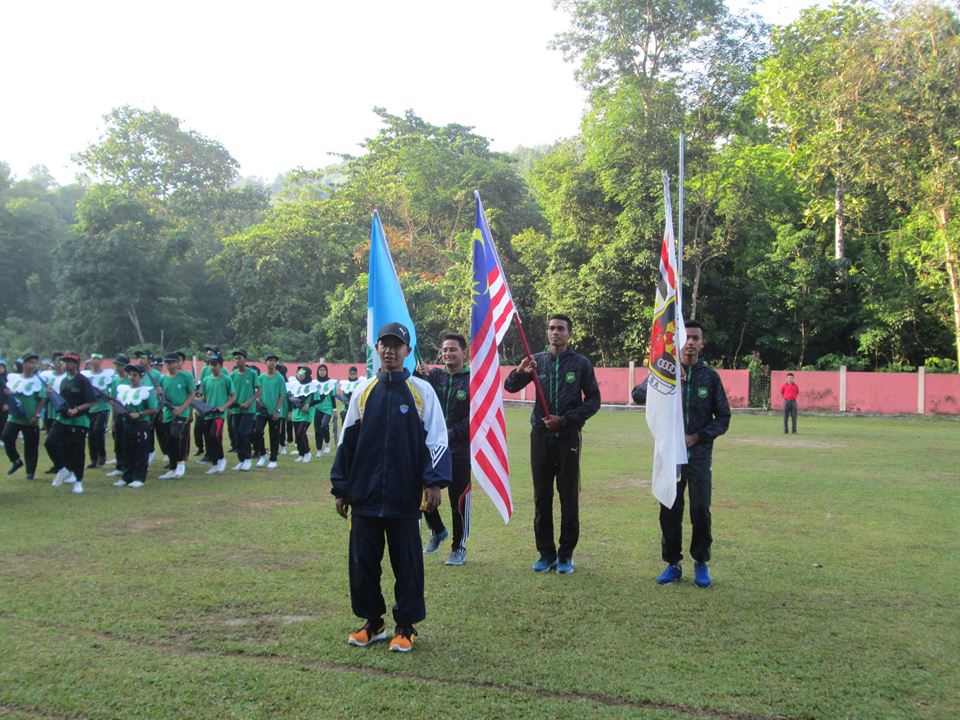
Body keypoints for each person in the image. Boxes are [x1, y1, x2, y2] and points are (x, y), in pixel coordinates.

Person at [331, 322, 451, 653]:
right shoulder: (364, 391)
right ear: (377, 350)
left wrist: (434, 481)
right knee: (363, 562)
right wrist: (341, 488)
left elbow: (437, 440)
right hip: (365, 496)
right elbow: (347, 444)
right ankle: (374, 623)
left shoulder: (421, 392)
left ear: (407, 351)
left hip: (403, 495)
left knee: (407, 564)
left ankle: (406, 626)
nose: (390, 350)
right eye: (384, 344)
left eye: (397, 345)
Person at [504, 313, 601, 575]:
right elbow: (509, 387)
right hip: (541, 438)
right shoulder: (537, 362)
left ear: (569, 334)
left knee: (568, 497)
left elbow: (593, 401)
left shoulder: (580, 364)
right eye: (551, 328)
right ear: (547, 333)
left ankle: (566, 554)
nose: (555, 332)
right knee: (541, 497)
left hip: (568, 437)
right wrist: (519, 371)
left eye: (560, 329)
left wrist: (566, 420)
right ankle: (545, 553)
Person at [655, 320, 731, 588]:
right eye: (686, 337)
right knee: (670, 508)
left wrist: (696, 437)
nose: (690, 342)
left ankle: (701, 561)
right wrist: (661, 377)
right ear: (678, 341)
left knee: (700, 509)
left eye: (695, 338)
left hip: (698, 456)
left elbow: (723, 417)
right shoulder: (666, 371)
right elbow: (639, 394)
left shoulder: (709, 377)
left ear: (702, 343)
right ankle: (672, 564)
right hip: (669, 455)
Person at [416, 332, 472, 566]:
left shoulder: (472, 380)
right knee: (423, 490)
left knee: (458, 499)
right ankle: (437, 529)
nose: (448, 353)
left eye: (453, 350)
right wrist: (416, 374)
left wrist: (451, 433)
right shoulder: (434, 377)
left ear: (464, 353)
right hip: (432, 448)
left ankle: (459, 547)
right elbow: (417, 398)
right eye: (445, 350)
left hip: (459, 449)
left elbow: (476, 418)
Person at [46, 352, 97, 494]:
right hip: (62, 419)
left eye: (69, 361)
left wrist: (77, 410)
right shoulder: (64, 380)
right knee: (50, 443)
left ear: (76, 364)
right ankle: (62, 469)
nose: (66, 364)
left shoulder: (83, 380)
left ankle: (78, 480)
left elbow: (92, 401)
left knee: (77, 451)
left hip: (79, 421)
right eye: (65, 361)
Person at [113, 364, 159, 488]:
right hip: (127, 423)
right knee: (127, 451)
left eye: (135, 375)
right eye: (130, 375)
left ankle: (139, 477)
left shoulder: (147, 391)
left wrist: (140, 413)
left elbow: (154, 408)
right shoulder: (124, 389)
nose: (132, 377)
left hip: (141, 424)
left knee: (140, 451)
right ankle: (127, 476)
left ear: (141, 376)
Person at [2, 352, 46, 479]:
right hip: (15, 416)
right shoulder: (14, 378)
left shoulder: (38, 380)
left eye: (34, 363)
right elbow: (10, 394)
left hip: (30, 418)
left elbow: (42, 399)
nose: (33, 365)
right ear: (23, 364)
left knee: (31, 446)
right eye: (30, 362)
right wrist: (8, 393)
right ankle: (16, 460)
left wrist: (37, 415)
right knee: (6, 437)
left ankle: (30, 473)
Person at [158, 353, 196, 480]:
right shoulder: (163, 379)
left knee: (175, 436)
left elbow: (192, 394)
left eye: (171, 362)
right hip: (168, 412)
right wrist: (159, 393)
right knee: (167, 440)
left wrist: (182, 408)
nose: (169, 365)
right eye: (167, 363)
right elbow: (161, 394)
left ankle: (180, 462)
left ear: (176, 363)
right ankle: (172, 468)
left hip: (181, 412)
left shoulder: (185, 376)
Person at [199, 355, 235, 475]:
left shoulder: (226, 379)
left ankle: (221, 459)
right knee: (208, 439)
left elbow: (233, 397)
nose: (212, 367)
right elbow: (204, 397)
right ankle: (215, 463)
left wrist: (223, 407)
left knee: (214, 435)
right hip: (208, 414)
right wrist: (193, 401)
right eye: (210, 364)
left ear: (220, 365)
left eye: (214, 364)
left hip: (219, 415)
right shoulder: (206, 380)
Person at [229, 349, 260, 471]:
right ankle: (241, 460)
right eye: (235, 358)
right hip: (236, 410)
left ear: (245, 359)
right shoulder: (232, 375)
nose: (237, 361)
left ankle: (247, 459)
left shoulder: (252, 373)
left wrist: (248, 402)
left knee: (244, 433)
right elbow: (230, 392)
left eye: (239, 358)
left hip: (248, 410)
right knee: (236, 435)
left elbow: (259, 390)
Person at [82, 353, 114, 468]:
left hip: (102, 407)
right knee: (90, 433)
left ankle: (102, 456)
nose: (95, 361)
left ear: (101, 361)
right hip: (90, 408)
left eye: (97, 359)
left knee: (98, 430)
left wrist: (108, 397)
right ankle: (93, 459)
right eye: (93, 358)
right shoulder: (85, 375)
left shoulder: (108, 374)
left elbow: (112, 389)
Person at [254, 354, 286, 469]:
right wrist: (258, 402)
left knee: (274, 435)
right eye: (270, 360)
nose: (272, 363)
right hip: (262, 412)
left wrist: (277, 410)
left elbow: (282, 396)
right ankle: (263, 455)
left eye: (274, 361)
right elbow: (257, 393)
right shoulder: (261, 378)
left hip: (274, 412)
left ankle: (273, 458)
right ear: (265, 362)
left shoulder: (280, 378)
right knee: (257, 432)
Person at [105, 356, 131, 478]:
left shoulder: (130, 379)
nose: (116, 367)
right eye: (116, 365)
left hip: (130, 413)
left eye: (119, 365)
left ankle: (130, 465)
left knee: (129, 441)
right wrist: (114, 419)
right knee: (118, 441)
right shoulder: (115, 380)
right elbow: (113, 399)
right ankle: (120, 466)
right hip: (118, 414)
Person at [289, 366, 315, 462]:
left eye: (302, 374)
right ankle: (301, 453)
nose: (300, 376)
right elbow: (291, 396)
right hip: (296, 413)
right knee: (297, 434)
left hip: (306, 414)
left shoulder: (312, 386)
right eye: (299, 374)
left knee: (301, 433)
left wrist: (309, 404)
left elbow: (317, 398)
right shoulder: (296, 385)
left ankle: (307, 452)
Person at [312, 364, 337, 457]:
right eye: (320, 370)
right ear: (318, 371)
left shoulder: (331, 383)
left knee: (323, 425)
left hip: (328, 408)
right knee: (317, 429)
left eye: (324, 370)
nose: (322, 372)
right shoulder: (314, 383)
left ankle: (327, 443)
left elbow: (333, 397)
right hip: (318, 408)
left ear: (326, 371)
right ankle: (319, 450)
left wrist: (334, 409)